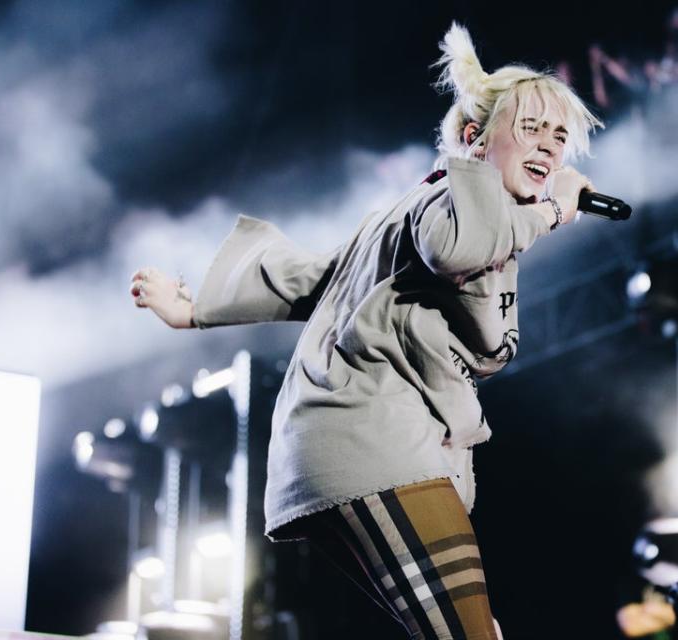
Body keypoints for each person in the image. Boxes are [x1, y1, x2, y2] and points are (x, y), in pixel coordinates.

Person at [130, 22, 601, 640]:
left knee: (476, 630)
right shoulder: (456, 204)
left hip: (350, 448)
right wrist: (552, 211)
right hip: (373, 445)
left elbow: (320, 278)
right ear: (472, 137)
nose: (548, 147)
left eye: (560, 136)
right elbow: (457, 247)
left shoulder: (414, 205)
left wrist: (197, 309)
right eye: (531, 128)